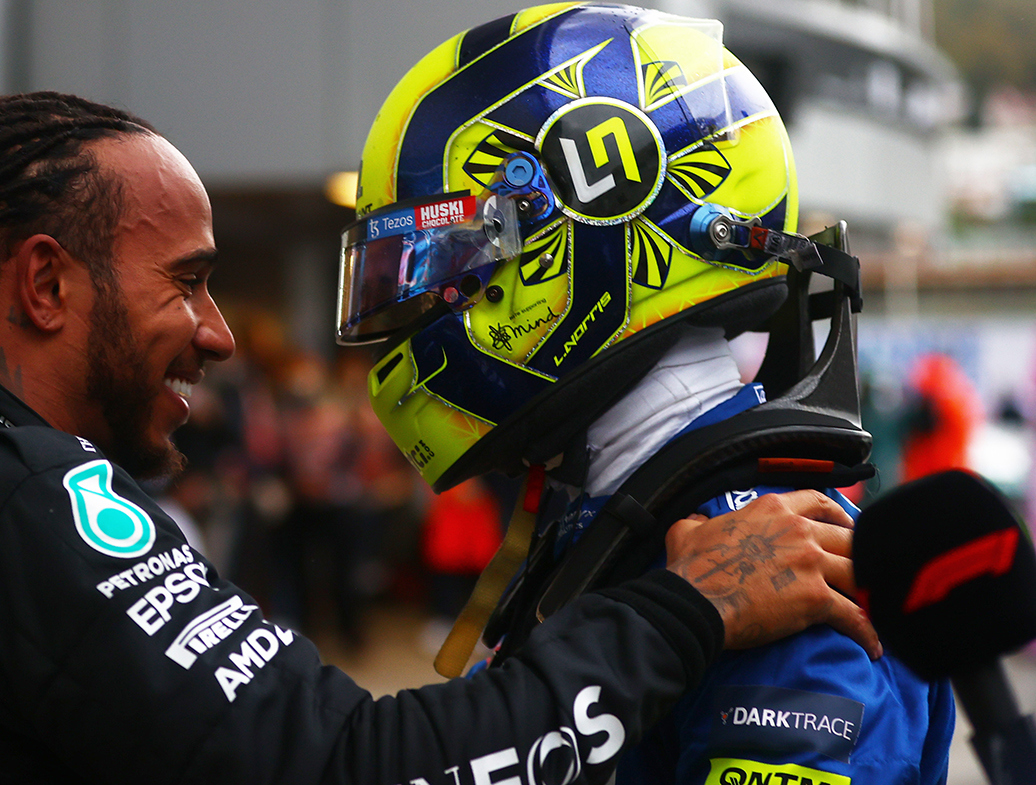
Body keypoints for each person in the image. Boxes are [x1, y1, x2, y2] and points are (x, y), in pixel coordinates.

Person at [0, 90, 874, 783]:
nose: (220, 333)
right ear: (46, 282)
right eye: (186, 282)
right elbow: (350, 768)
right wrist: (683, 608)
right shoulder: (22, 503)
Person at [337, 4, 953, 785]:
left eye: (438, 270)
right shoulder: (616, 522)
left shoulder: (794, 576)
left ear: (585, 224)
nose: (417, 312)